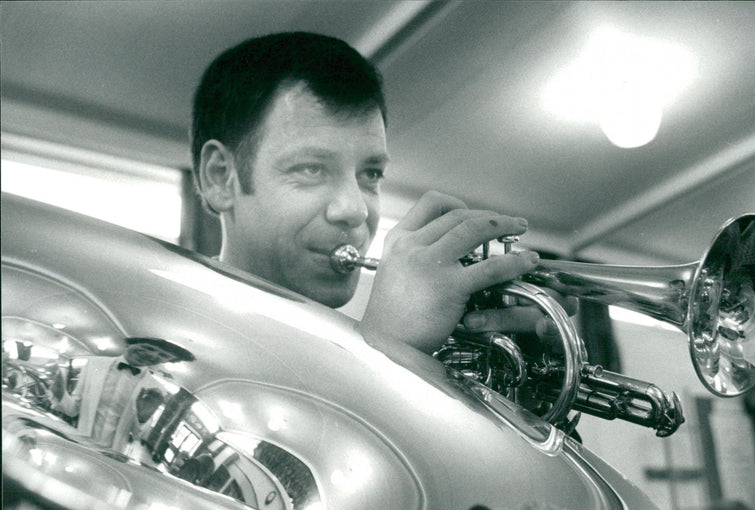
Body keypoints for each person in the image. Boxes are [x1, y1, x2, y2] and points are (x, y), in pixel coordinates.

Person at [191, 32, 571, 356]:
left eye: (370, 174)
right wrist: (386, 354)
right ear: (221, 178)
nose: (355, 210)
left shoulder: (358, 343)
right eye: (311, 169)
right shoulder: (168, 337)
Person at [51, 337, 194, 451]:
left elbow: (139, 436)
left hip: (115, 454)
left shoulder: (156, 389)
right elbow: (72, 410)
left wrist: (143, 417)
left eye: (162, 355)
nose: (151, 355)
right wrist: (59, 392)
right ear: (129, 344)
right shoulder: (94, 364)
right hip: (79, 442)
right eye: (148, 347)